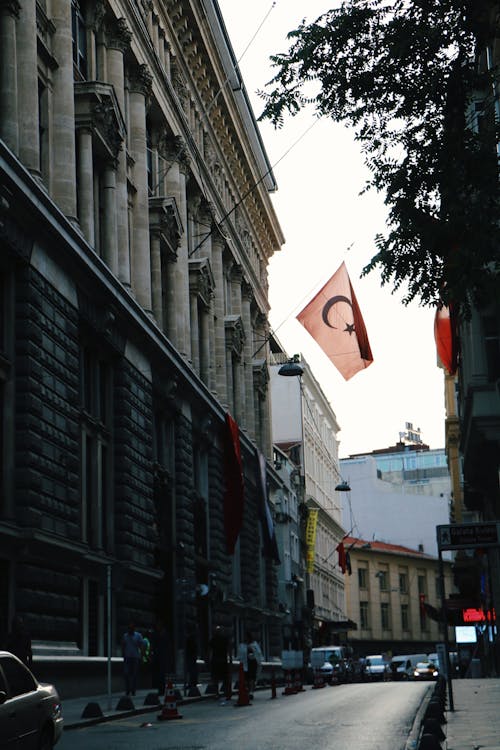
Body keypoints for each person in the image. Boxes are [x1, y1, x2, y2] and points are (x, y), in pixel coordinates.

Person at [121, 622, 145, 696]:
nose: (130, 630)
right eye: (129, 628)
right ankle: (128, 689)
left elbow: (141, 646)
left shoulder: (138, 636)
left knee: (134, 674)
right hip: (127, 657)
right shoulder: (125, 636)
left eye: (131, 628)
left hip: (135, 657)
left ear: (134, 629)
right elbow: (123, 646)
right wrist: (123, 655)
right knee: (126, 674)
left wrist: (142, 655)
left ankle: (133, 690)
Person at [238, 631, 263, 698]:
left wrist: (252, 651)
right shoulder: (242, 645)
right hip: (245, 664)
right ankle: (247, 691)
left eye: (246, 637)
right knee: (246, 679)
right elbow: (240, 654)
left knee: (252, 678)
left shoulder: (254, 644)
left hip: (252, 663)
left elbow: (258, 653)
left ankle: (251, 692)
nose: (245, 638)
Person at [208, 625, 230, 696]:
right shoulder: (224, 639)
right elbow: (228, 649)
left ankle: (217, 693)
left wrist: (209, 659)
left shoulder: (213, 639)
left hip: (216, 660)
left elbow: (210, 650)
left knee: (216, 677)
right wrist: (230, 659)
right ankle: (225, 691)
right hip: (223, 660)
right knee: (224, 677)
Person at [149, 620, 169, 697]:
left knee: (161, 674)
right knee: (158, 674)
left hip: (162, 656)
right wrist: (151, 654)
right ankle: (160, 689)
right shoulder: (155, 634)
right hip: (157, 656)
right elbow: (152, 644)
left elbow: (167, 645)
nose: (158, 626)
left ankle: (162, 690)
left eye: (159, 625)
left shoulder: (164, 634)